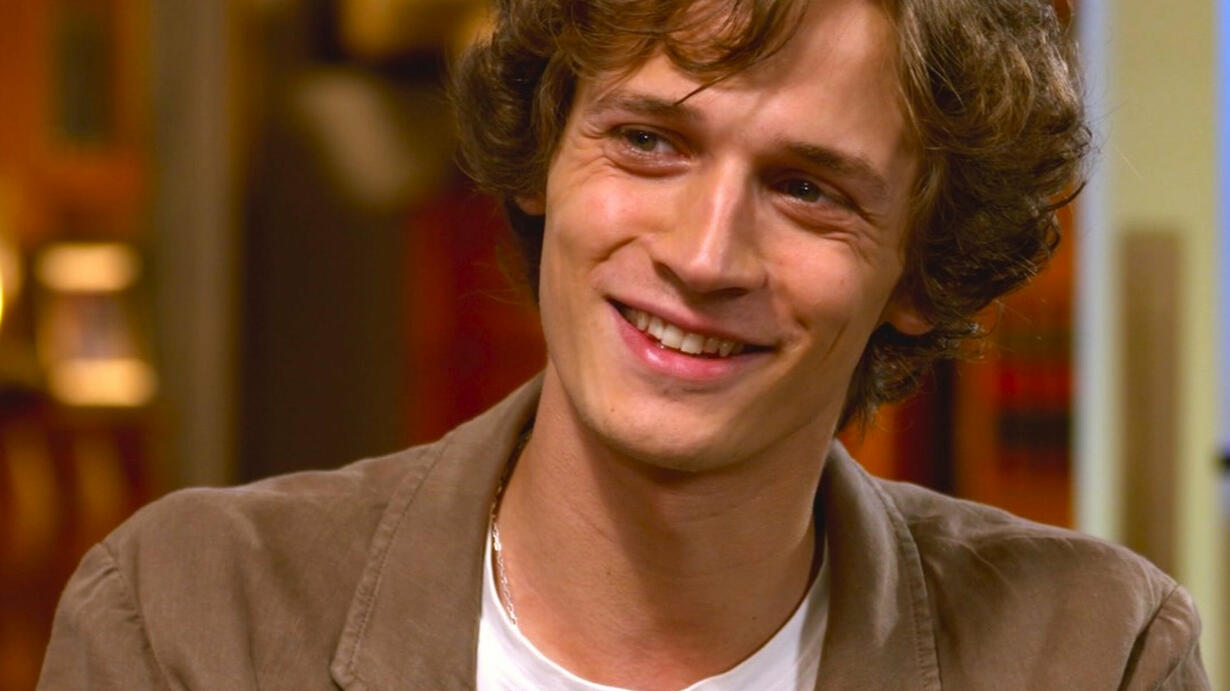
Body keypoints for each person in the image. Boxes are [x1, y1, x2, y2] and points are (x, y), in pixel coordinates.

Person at [40, 0, 1209, 688]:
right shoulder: (193, 618)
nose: (704, 253)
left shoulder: (1093, 655)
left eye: (807, 188)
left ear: (918, 268)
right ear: (543, 158)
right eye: (650, 141)